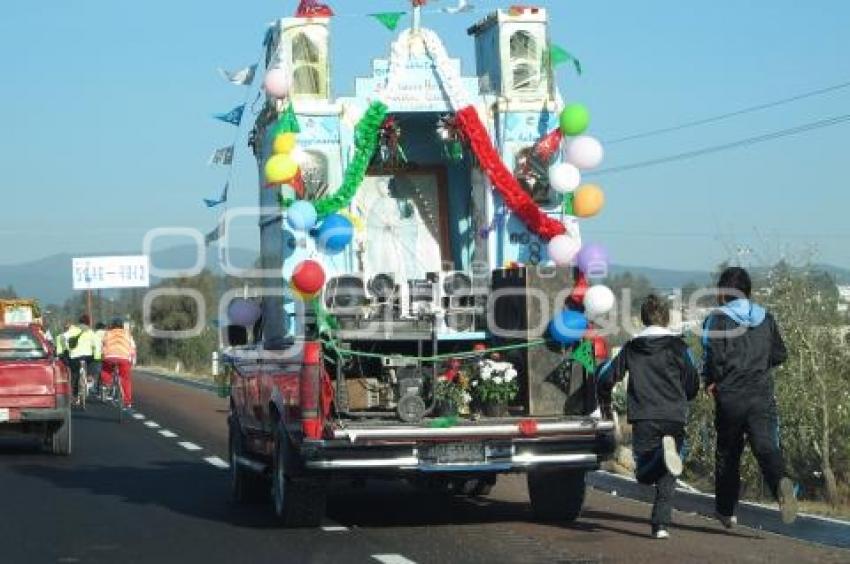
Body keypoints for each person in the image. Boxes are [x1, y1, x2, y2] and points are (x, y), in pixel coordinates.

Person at [598, 294, 700, 539]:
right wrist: (684, 395)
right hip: (674, 415)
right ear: (665, 319)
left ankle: (660, 457)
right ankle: (660, 525)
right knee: (668, 475)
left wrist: (604, 400)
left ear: (643, 319)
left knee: (644, 474)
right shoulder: (680, 347)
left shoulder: (632, 348)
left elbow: (606, 378)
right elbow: (693, 382)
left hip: (644, 416)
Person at [702, 266, 797, 527]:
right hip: (761, 394)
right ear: (748, 291)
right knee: (767, 447)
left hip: (730, 396)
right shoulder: (766, 318)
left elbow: (712, 357)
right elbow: (780, 354)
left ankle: (726, 511)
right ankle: (780, 482)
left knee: (728, 453)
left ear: (724, 293)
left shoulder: (717, 319)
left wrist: (711, 381)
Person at [101, 318, 135, 410]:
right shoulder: (127, 334)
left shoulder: (107, 333)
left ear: (111, 326)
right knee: (126, 379)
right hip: (124, 358)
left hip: (110, 357)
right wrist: (132, 360)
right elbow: (132, 348)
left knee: (106, 370)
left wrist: (103, 355)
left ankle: (106, 384)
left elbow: (103, 345)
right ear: (122, 326)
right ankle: (127, 402)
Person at [65, 315, 96, 404]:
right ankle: (89, 376)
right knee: (92, 361)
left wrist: (68, 348)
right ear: (88, 323)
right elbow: (96, 344)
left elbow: (65, 338)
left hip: (75, 356)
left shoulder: (73, 330)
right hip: (87, 355)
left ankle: (74, 395)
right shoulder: (91, 332)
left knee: (74, 374)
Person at [91, 322, 106, 393]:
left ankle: (95, 386)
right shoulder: (107, 333)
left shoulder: (95, 334)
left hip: (97, 355)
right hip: (107, 354)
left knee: (96, 371)